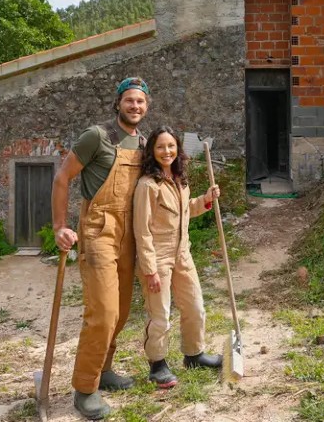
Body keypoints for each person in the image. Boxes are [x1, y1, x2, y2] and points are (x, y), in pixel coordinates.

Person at [50, 77, 150, 420]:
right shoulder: (97, 136)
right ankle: (85, 388)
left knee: (121, 312)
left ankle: (104, 370)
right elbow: (62, 178)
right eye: (129, 101)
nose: (134, 106)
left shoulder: (146, 143)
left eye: (140, 102)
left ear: (146, 106)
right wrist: (59, 226)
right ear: (118, 103)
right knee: (103, 313)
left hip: (131, 233)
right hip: (98, 231)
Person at [132, 126, 223, 389]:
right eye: (160, 147)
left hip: (183, 254)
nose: (166, 151)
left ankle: (194, 354)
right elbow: (142, 230)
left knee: (195, 306)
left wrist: (205, 200)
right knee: (160, 315)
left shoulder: (180, 180)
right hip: (157, 258)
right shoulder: (148, 186)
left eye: (171, 146)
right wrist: (149, 270)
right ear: (152, 151)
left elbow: (185, 211)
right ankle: (157, 365)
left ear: (177, 149)